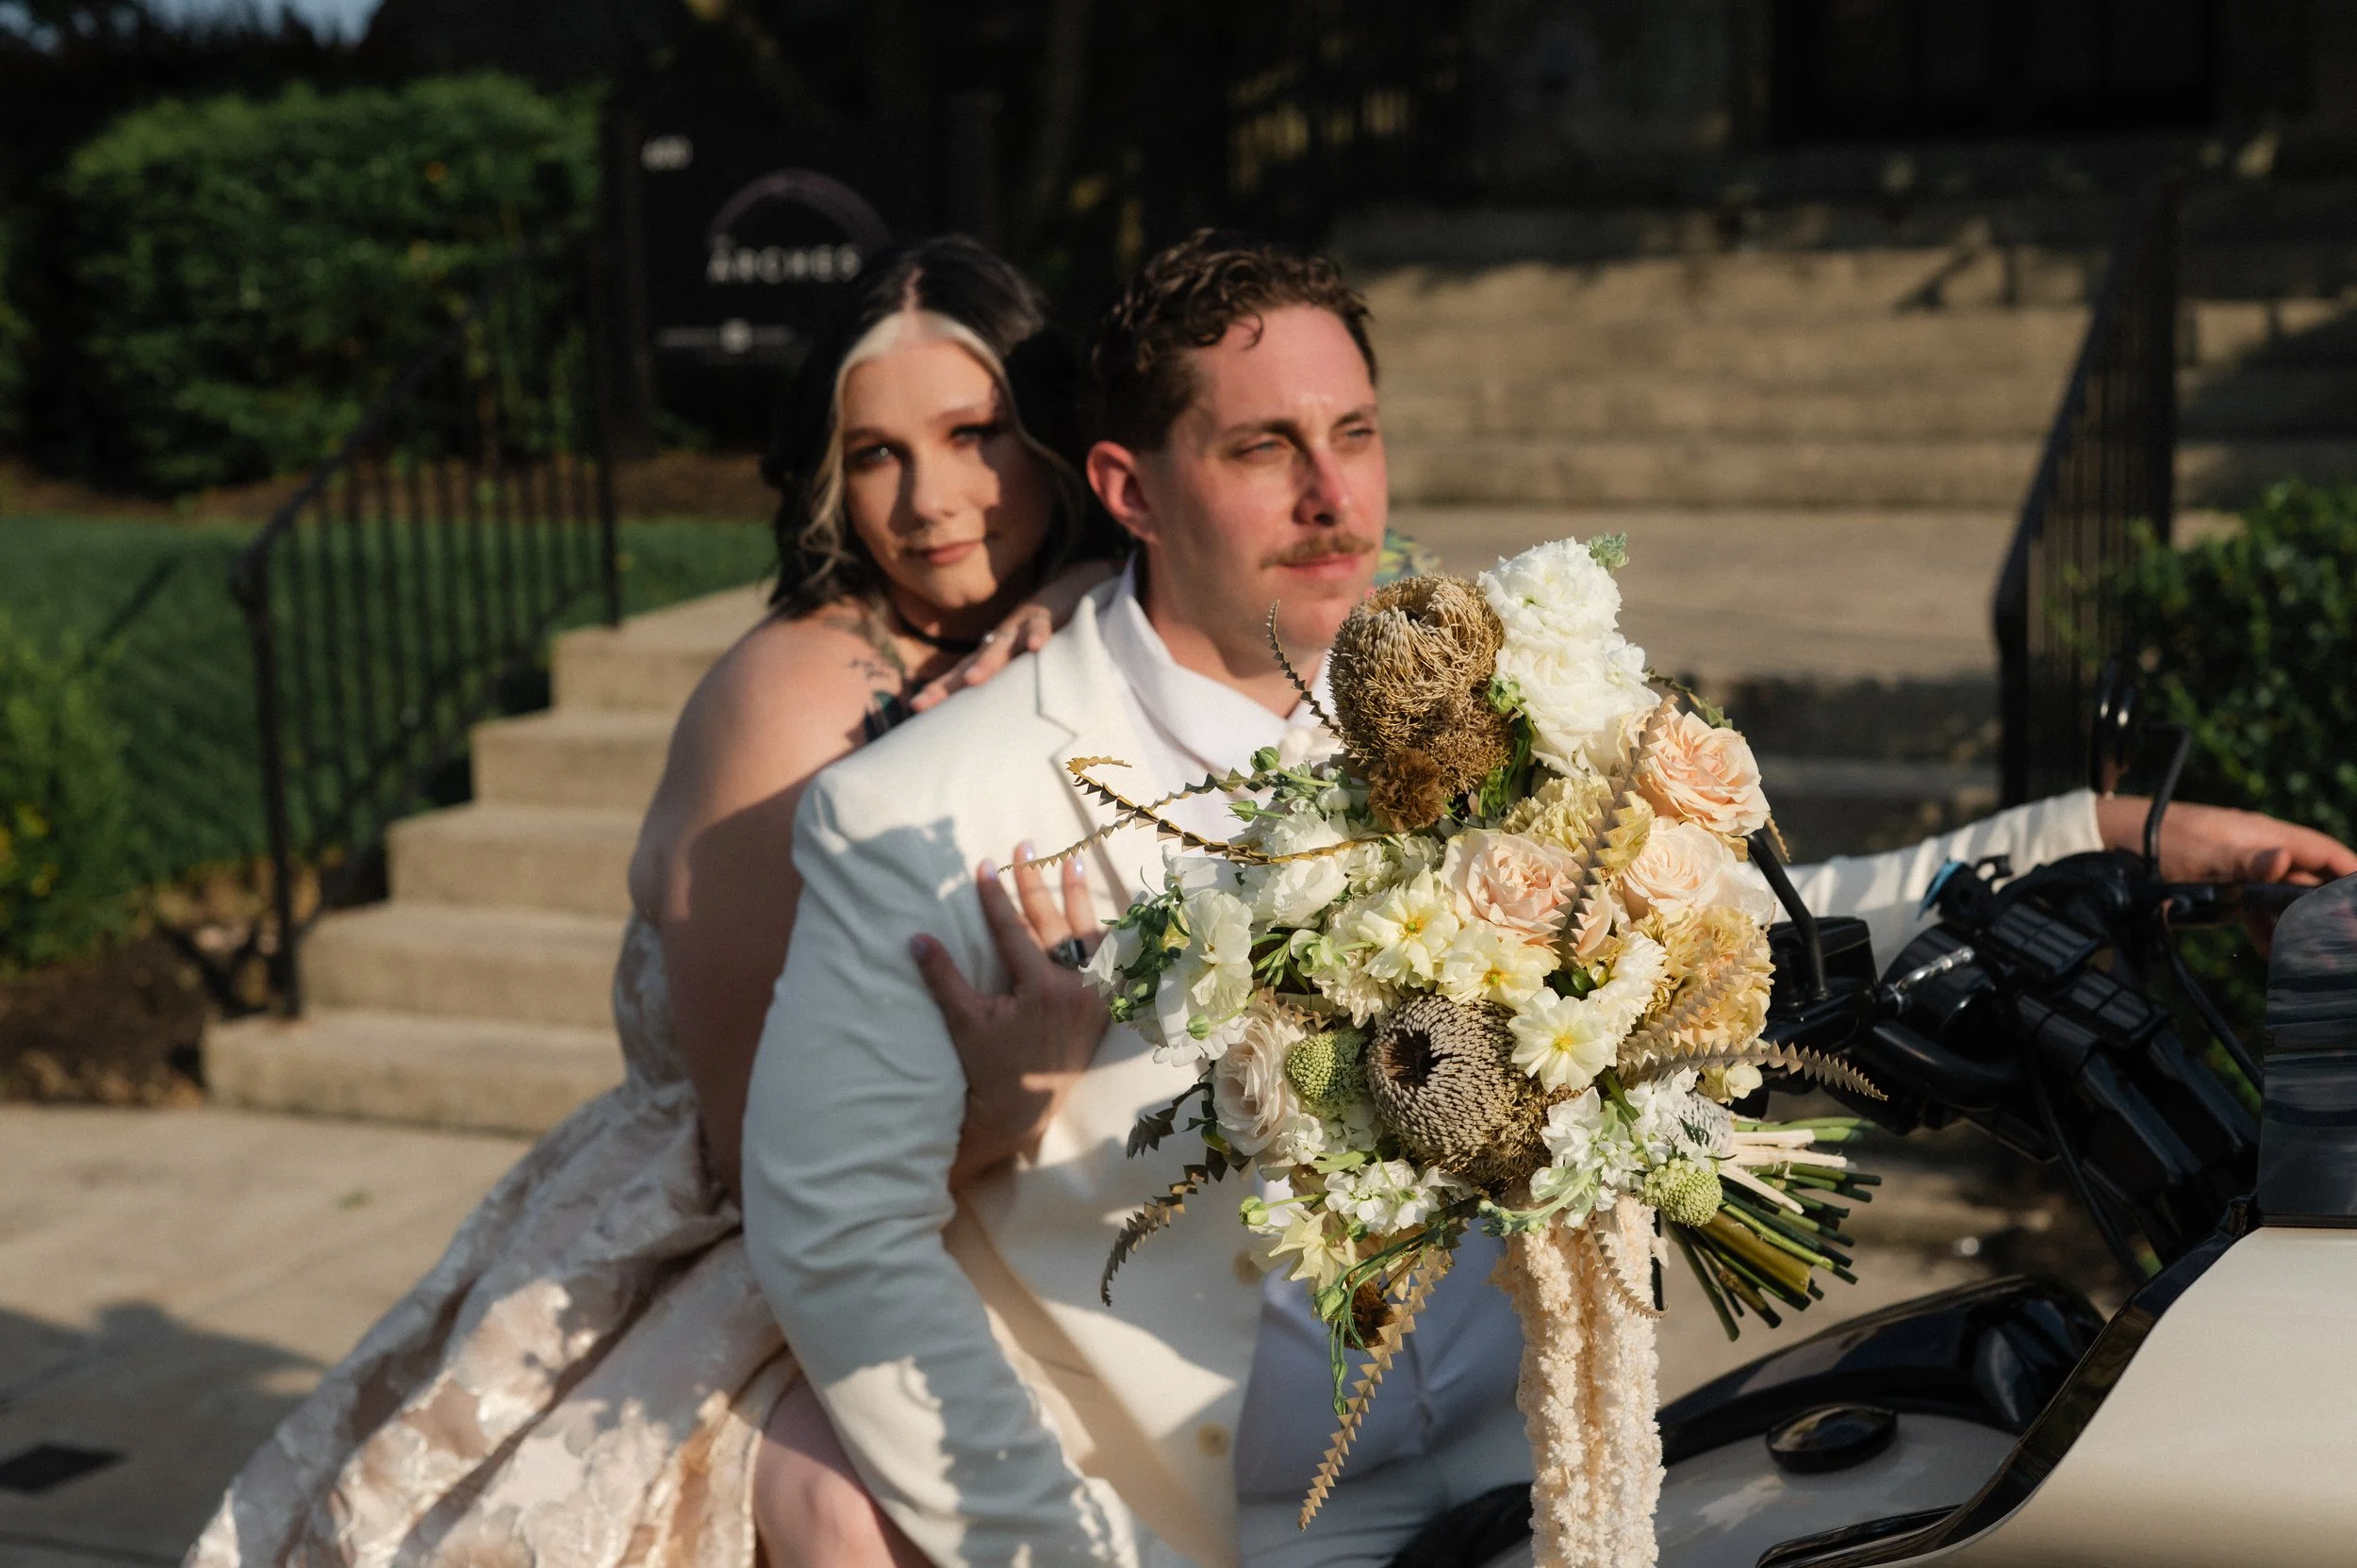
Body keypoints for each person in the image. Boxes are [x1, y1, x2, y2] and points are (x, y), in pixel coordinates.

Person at [736, 229, 2357, 1568]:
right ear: (1131, 488)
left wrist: (2114, 837)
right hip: (1206, 1526)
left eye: (1355, 433)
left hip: (1559, 1480)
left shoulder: (1490, 697)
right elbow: (838, 1236)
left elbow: (1757, 903)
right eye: (1263, 448)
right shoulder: (922, 812)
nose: (1333, 496)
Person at [183, 237, 1127, 1568]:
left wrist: (1092, 589)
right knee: (861, 1506)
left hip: (989, 1210)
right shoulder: (790, 702)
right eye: (875, 455)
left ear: (1052, 439)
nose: (928, 502)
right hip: (738, 1239)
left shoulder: (1073, 628)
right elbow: (759, 1163)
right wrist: (1015, 1098)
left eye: (974, 435)